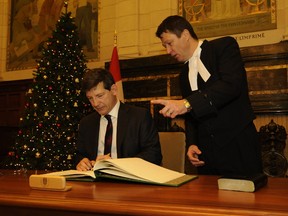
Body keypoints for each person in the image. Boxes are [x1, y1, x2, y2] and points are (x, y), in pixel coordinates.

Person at [151, 15, 263, 176]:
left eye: (169, 43)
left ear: (185, 34)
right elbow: (191, 116)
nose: (168, 51)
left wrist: (187, 103)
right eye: (165, 46)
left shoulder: (224, 46)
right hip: (206, 155)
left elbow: (231, 86)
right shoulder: (183, 74)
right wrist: (191, 143)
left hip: (238, 146)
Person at [76, 68, 162, 171]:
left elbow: (154, 155)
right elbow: (79, 155)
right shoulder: (86, 123)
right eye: (90, 98)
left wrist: (116, 165)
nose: (95, 103)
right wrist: (82, 162)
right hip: (95, 183)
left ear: (113, 90)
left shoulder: (139, 117)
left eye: (100, 96)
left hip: (129, 182)